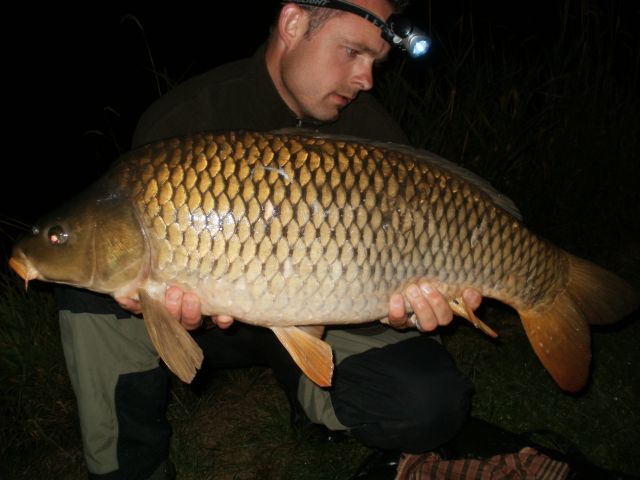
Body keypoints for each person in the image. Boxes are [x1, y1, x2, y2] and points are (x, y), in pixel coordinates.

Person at [57, 1, 482, 479]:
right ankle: (127, 468)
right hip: (214, 324)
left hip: (331, 311)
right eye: (352, 53)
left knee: (433, 405)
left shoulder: (373, 132)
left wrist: (404, 312)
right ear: (293, 24)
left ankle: (313, 403)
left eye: (374, 62)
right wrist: (163, 305)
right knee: (88, 284)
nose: (367, 80)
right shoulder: (186, 118)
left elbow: (390, 278)